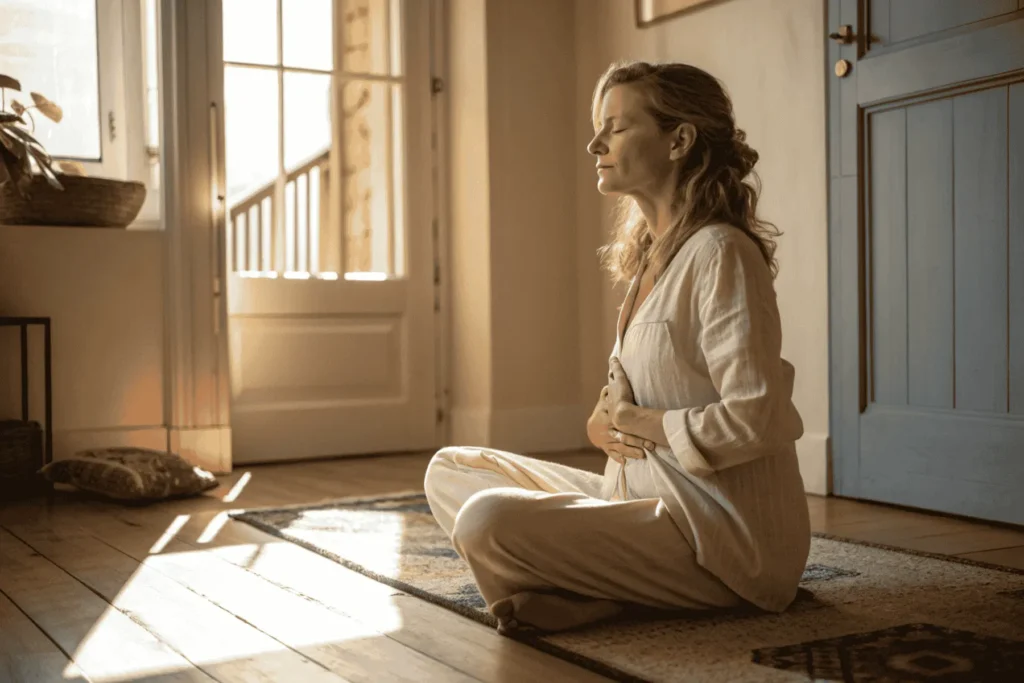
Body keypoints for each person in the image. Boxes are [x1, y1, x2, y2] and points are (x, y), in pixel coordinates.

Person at [424, 60, 810, 636]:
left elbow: (755, 419)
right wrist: (601, 426)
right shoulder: (652, 261)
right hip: (638, 497)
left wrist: (639, 422)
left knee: (487, 520)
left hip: (719, 535)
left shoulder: (721, 253)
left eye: (616, 127)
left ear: (678, 139)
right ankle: (603, 592)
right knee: (451, 470)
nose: (593, 143)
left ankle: (603, 590)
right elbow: (633, 400)